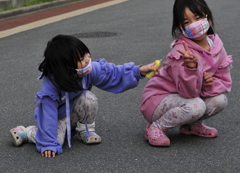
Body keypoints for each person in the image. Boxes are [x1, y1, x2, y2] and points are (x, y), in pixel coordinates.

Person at [10, 34, 158, 157]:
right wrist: (48, 143)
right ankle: (28, 132)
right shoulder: (52, 83)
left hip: (74, 111)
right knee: (56, 141)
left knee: (88, 98)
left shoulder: (88, 69)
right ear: (65, 67)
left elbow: (112, 73)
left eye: (86, 53)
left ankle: (84, 129)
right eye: (81, 59)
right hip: (57, 117)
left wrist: (138, 71)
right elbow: (47, 113)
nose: (87, 59)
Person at [141, 0, 232, 147]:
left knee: (220, 100)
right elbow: (188, 93)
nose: (194, 25)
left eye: (198, 18)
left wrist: (210, 83)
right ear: (180, 28)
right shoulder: (180, 52)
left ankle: (191, 125)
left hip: (187, 99)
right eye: (187, 22)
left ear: (207, 18)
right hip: (158, 100)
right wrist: (191, 69)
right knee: (196, 105)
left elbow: (224, 80)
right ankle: (155, 128)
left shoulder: (216, 45)